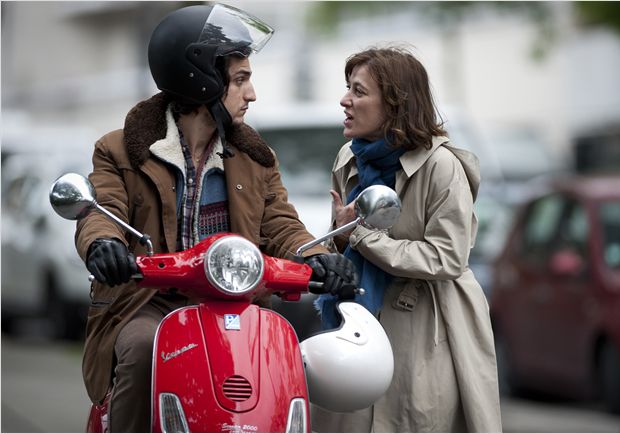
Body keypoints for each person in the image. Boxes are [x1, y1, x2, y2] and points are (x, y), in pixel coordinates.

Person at [74, 4, 357, 432]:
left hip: (236, 303)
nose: (252, 94)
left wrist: (319, 256)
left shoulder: (255, 158)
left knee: (278, 360)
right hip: (149, 301)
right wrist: (104, 244)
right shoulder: (120, 149)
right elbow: (103, 211)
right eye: (241, 80)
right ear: (200, 78)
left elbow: (280, 223)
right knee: (143, 349)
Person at [311, 46, 502, 432]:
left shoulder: (442, 166)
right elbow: (341, 242)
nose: (345, 100)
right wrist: (341, 240)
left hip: (429, 327)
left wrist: (360, 235)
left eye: (359, 91)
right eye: (348, 88)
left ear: (395, 104)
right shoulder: (348, 158)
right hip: (356, 319)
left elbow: (447, 257)